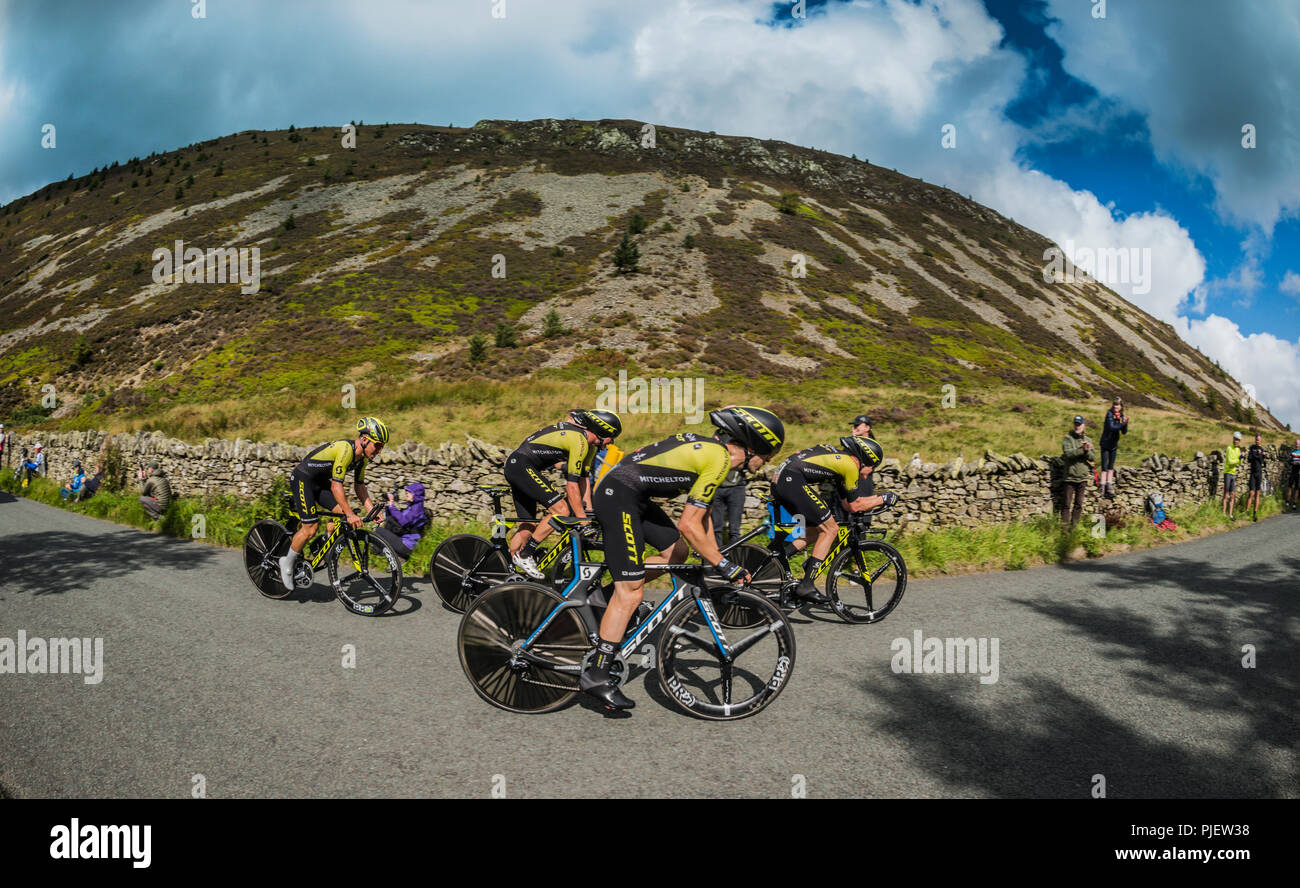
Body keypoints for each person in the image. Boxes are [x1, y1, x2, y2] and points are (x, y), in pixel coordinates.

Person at [581, 405, 785, 711]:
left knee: (678, 552)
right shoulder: (718, 460)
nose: (765, 463)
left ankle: (604, 598)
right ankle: (597, 674)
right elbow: (688, 524)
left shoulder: (714, 455)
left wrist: (714, 555)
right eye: (767, 456)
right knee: (631, 592)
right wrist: (723, 564)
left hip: (632, 494)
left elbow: (703, 518)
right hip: (620, 496)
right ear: (754, 444)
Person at [771, 435, 898, 603]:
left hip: (782, 479)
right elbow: (855, 506)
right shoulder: (850, 466)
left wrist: (872, 500)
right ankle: (806, 585)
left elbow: (847, 504)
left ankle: (779, 558)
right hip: (792, 480)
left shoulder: (840, 461)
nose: (870, 472)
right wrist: (883, 498)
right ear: (866, 460)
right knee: (831, 529)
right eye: (873, 467)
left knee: (817, 531)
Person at [504, 410, 621, 580]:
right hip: (520, 466)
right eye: (612, 437)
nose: (611, 443)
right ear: (602, 432)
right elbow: (572, 487)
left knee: (527, 528)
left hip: (522, 466)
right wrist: (582, 520)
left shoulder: (589, 447)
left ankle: (507, 573)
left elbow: (583, 480)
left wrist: (587, 510)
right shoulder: (579, 441)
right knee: (561, 510)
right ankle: (525, 555)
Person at [278, 416, 388, 590]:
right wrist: (351, 514)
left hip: (320, 482)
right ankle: (286, 564)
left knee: (341, 514)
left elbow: (359, 486)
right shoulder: (346, 450)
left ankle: (323, 544)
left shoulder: (363, 459)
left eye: (382, 447)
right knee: (310, 528)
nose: (379, 451)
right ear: (365, 440)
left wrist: (371, 510)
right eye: (378, 445)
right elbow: (337, 485)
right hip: (303, 479)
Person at [1060, 416, 1094, 528]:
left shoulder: (1088, 439)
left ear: (1083, 425)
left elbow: (1092, 457)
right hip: (1069, 477)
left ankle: (1074, 529)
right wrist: (1082, 450)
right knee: (1066, 504)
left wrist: (1088, 451)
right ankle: (1064, 531)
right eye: (1075, 423)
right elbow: (1068, 454)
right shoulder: (1067, 438)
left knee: (1078, 505)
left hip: (1082, 477)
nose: (1077, 426)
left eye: (1079, 424)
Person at [381, 481, 429, 558]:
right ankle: (384, 555)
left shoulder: (417, 509)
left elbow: (403, 521)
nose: (406, 493)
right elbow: (391, 519)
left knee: (379, 531)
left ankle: (382, 555)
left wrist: (392, 506)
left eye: (409, 492)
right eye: (406, 491)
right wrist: (388, 505)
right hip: (402, 540)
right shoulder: (411, 507)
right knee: (384, 527)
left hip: (407, 545)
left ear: (417, 494)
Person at [711, 466, 747, 550]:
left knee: (734, 529)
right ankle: (717, 556)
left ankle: (734, 555)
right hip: (715, 487)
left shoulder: (741, 453)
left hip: (737, 487)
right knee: (716, 527)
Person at [1098, 397, 1128, 498]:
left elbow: (1124, 432)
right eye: (1115, 404)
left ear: (1121, 406)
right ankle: (1102, 487)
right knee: (1104, 466)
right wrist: (1122, 424)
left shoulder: (1121, 416)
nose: (1116, 406)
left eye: (1118, 405)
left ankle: (1109, 486)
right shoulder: (1109, 414)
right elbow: (1112, 427)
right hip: (1105, 444)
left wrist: (1125, 424)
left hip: (1114, 445)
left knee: (1111, 466)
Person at [1245, 432, 1266, 521]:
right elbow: (1249, 459)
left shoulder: (1262, 449)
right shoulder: (1252, 448)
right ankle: (1246, 512)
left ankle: (1255, 513)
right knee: (1251, 493)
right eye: (1256, 439)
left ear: (1260, 440)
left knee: (1257, 493)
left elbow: (1261, 461)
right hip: (1253, 473)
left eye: (1259, 439)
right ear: (1255, 439)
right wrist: (1257, 454)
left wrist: (1261, 455)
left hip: (1259, 473)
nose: (1257, 441)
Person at [1221, 431, 1242, 519]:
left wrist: (1241, 458)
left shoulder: (1238, 450)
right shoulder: (1229, 448)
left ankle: (1230, 514)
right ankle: (1223, 514)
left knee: (1232, 494)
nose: (1236, 441)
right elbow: (1230, 462)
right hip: (1227, 473)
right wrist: (1238, 460)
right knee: (1226, 494)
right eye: (1235, 439)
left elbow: (1240, 463)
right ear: (1233, 439)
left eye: (1238, 440)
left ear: (1239, 441)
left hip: (1233, 473)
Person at [1287, 438, 1300, 511]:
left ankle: (1294, 503)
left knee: (1296, 488)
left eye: (1298, 443)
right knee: (1290, 486)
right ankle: (1288, 502)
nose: (1297, 444)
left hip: (1298, 472)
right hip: (1293, 471)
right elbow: (1289, 461)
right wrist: (1293, 463)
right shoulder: (1293, 452)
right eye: (1296, 443)